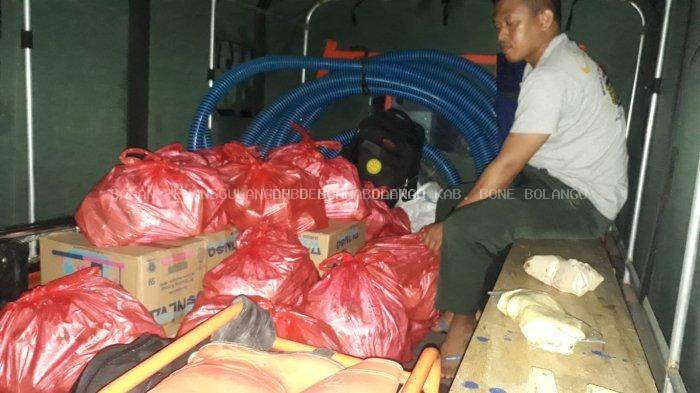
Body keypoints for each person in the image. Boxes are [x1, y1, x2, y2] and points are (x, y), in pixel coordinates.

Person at [421, 0, 629, 377]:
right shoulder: (557, 61)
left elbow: (509, 164)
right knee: (452, 199)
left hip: (581, 202)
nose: (501, 34)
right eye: (498, 25)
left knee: (464, 225)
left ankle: (463, 328)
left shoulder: (553, 74)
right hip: (552, 180)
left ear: (545, 19)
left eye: (510, 23)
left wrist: (454, 224)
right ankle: (460, 304)